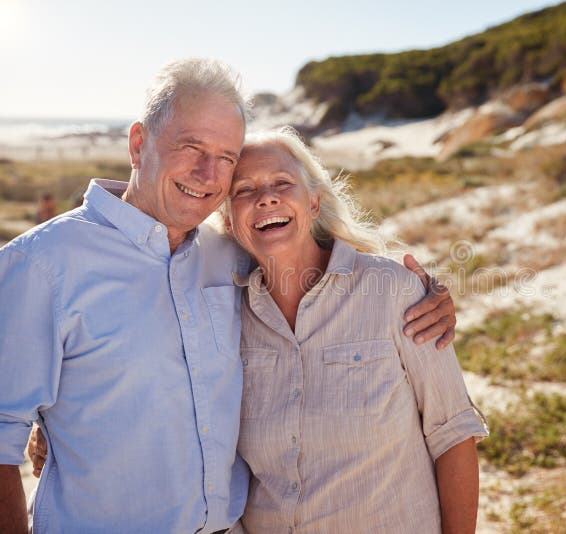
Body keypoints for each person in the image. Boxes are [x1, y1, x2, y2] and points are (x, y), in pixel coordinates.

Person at [0, 58, 456, 533]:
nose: (206, 173)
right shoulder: (40, 265)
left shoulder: (230, 256)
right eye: (190, 147)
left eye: (226, 157)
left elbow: (313, 264)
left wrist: (427, 297)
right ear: (138, 144)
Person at [217, 128, 488, 533]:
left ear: (313, 201)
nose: (266, 197)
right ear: (228, 219)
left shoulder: (392, 291)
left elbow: (453, 433)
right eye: (244, 190)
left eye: (282, 183)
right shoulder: (224, 315)